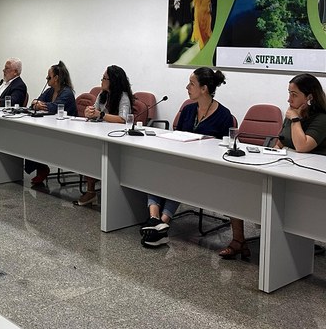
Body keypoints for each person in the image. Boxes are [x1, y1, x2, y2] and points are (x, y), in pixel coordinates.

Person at [219, 73, 326, 259]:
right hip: (288, 166)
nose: (289, 99)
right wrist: (269, 155)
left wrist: (295, 119)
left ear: (309, 97)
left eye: (294, 94)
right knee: (239, 183)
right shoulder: (292, 112)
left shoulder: (321, 118)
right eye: (289, 93)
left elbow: (302, 146)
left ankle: (288, 240)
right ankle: (238, 240)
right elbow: (281, 141)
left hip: (310, 176)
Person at [140, 67, 233, 247]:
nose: (187, 87)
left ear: (204, 89)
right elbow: (178, 135)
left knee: (180, 174)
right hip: (181, 161)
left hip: (205, 168)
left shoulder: (224, 115)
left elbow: (225, 147)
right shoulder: (188, 109)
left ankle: (162, 223)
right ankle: (155, 219)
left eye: (191, 84)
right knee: (155, 167)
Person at [76, 65, 134, 205]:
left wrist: (100, 114)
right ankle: (91, 191)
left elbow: (123, 119)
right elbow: (94, 111)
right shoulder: (102, 94)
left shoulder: (123, 97)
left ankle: (94, 191)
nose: (101, 81)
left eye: (104, 78)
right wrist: (89, 113)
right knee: (87, 152)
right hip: (100, 133)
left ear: (113, 81)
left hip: (116, 137)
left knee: (93, 154)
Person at [25, 61, 78, 185]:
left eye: (49, 77)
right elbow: (35, 102)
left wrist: (40, 105)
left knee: (37, 138)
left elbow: (54, 108)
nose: (46, 78)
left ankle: (42, 168)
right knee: (30, 134)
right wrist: (37, 104)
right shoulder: (50, 91)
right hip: (52, 126)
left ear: (56, 78)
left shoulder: (67, 92)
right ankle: (41, 167)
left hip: (67, 131)